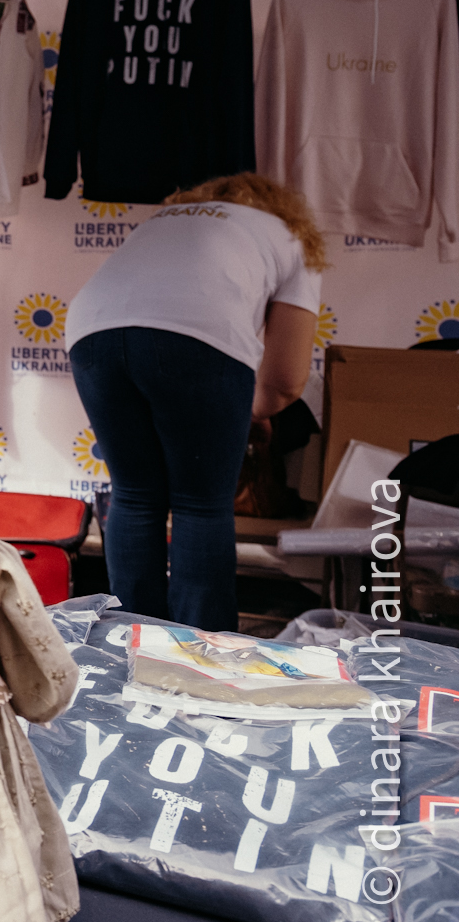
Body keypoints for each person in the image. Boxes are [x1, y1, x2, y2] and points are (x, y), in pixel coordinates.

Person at [65, 173, 324, 630]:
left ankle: (129, 640)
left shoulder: (165, 218)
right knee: (200, 505)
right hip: (197, 335)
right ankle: (199, 652)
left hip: (91, 331)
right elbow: (285, 380)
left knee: (134, 494)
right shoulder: (290, 235)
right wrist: (249, 413)